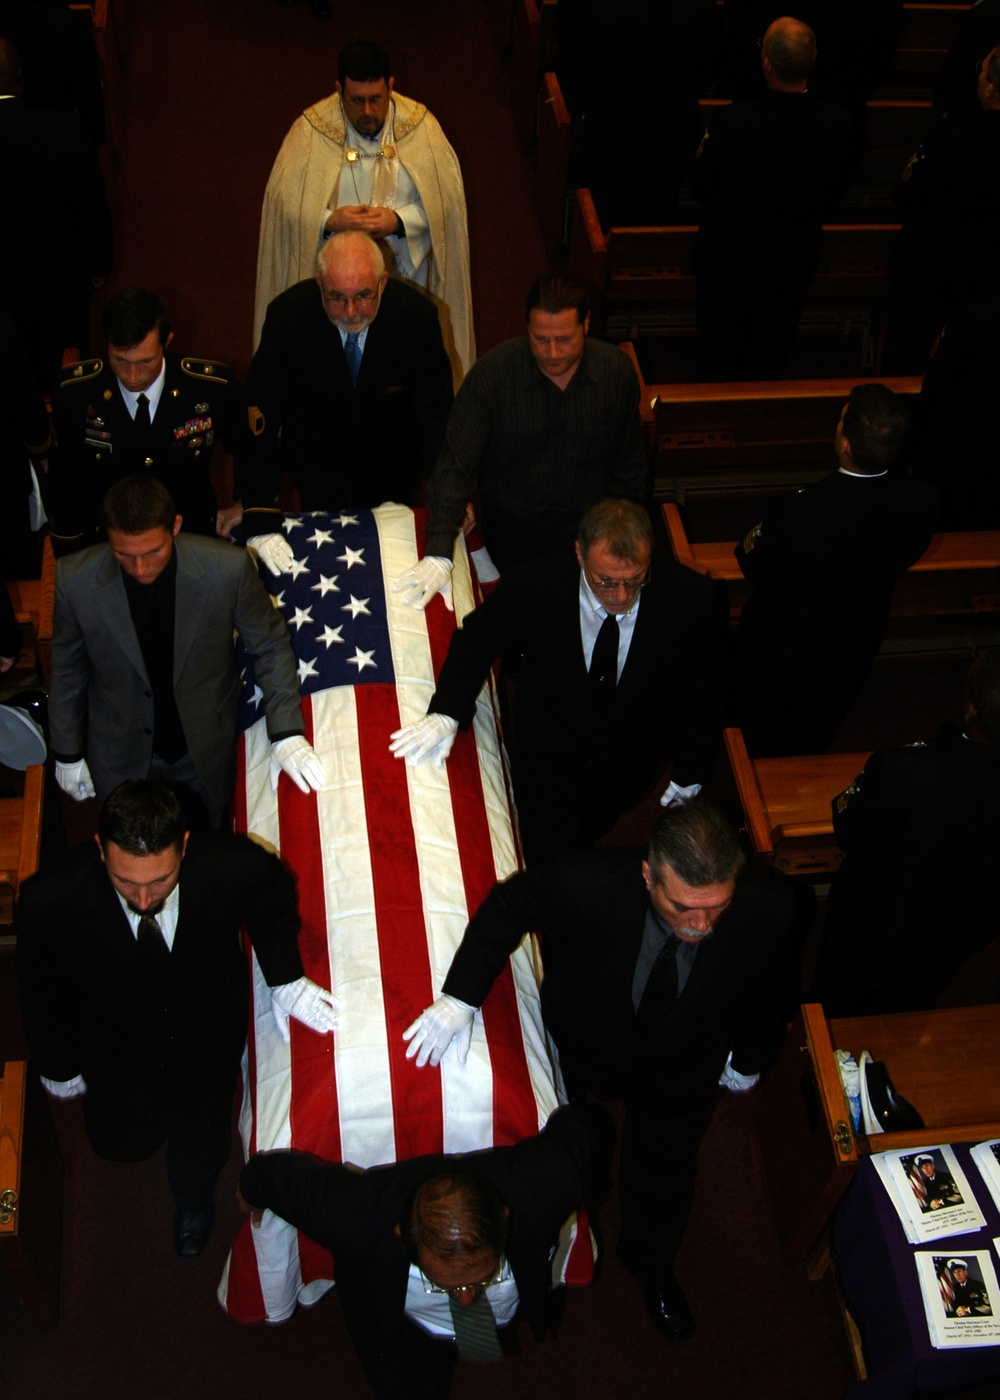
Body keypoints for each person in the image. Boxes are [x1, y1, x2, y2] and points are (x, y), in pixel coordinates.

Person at [403, 799, 799, 1343]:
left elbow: (768, 985)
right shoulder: (588, 883)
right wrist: (458, 1000)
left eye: (717, 907)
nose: (701, 925)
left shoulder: (770, 907)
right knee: (564, 1144)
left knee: (665, 1175)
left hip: (685, 1063)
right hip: (586, 1040)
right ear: (648, 875)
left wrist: (750, 1059)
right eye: (684, 907)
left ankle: (651, 1267)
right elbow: (509, 903)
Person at [15, 779, 339, 1257]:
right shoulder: (49, 900)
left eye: (159, 880)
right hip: (113, 1048)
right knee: (122, 1140)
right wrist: (58, 1064)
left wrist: (285, 978)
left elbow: (274, 898)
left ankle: (193, 1201)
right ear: (101, 852)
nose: (144, 899)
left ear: (184, 846)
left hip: (204, 1036)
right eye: (126, 881)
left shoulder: (232, 866)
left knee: (202, 1133)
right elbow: (40, 991)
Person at [389, 498, 722, 862]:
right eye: (606, 582)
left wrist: (692, 766)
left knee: (595, 825)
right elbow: (477, 640)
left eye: (634, 580)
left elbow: (702, 690)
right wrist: (447, 712)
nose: (621, 597)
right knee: (547, 852)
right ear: (580, 554)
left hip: (628, 763)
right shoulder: (535, 584)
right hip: (548, 756)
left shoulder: (690, 600)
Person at [237, 1103, 598, 1398]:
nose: (468, 1300)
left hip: (487, 1301)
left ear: (505, 1219)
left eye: (480, 1277)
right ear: (401, 1236)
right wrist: (249, 1195)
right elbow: (272, 1178)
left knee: (482, 1337)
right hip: (403, 1328)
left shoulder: (549, 1183)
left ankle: (477, 1343)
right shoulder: (354, 1218)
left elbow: (582, 1125)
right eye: (447, 1285)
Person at [49, 475, 322, 826]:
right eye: (124, 555)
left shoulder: (227, 568)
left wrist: (285, 731)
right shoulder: (75, 579)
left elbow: (269, 645)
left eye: (152, 552)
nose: (141, 568)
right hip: (118, 751)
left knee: (205, 854)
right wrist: (67, 752)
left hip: (203, 750)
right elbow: (67, 669)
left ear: (175, 526)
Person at [394, 276, 647, 608]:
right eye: (540, 339)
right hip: (514, 535)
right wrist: (440, 552)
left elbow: (629, 467)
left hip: (588, 530)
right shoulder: (493, 376)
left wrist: (624, 535)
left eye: (565, 339)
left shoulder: (615, 372)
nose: (553, 353)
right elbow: (454, 465)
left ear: (586, 324)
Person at [733, 383, 939, 756]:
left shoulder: (800, 511)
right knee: (820, 724)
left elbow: (750, 560)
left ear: (845, 444)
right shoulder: (921, 503)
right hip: (855, 637)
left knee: (763, 731)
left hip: (784, 645)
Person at [253, 39, 473, 386]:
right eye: (356, 101)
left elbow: (446, 206)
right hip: (341, 294)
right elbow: (285, 208)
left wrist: (398, 221)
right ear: (339, 90)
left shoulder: (421, 127)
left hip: (404, 283)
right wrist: (329, 221)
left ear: (391, 87)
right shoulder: (310, 131)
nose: (368, 111)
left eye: (376, 99)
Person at [239, 231, 453, 569]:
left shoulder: (417, 319)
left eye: (363, 296)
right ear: (319, 283)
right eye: (336, 297)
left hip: (391, 466)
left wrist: (448, 499)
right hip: (315, 463)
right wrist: (259, 513)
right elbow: (261, 413)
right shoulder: (287, 316)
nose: (351, 311)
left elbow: (435, 417)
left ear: (383, 282)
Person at [812, 650, 1000, 1016]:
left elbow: (849, 828)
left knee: (833, 1009)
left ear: (971, 708)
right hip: (951, 934)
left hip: (870, 922)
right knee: (904, 1014)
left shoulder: (904, 769)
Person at [692, 16, 852, 380]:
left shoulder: (733, 121)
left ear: (766, 62)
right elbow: (835, 191)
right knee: (769, 356)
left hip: (728, 259)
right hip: (792, 261)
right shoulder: (837, 123)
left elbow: (702, 186)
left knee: (717, 357)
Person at [46, 287, 251, 555]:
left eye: (145, 362)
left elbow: (252, 447)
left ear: (167, 342)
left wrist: (245, 503)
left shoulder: (210, 387)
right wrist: (70, 550)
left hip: (187, 536)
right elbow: (64, 477)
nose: (132, 376)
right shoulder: (76, 391)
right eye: (120, 360)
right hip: (105, 541)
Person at [0, 36, 114, 392]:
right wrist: (100, 269)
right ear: (19, 78)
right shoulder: (65, 130)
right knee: (69, 388)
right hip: (58, 293)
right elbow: (92, 210)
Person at [884, 44, 1000, 374]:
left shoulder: (948, 138)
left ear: (990, 87)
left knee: (909, 364)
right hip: (988, 282)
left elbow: (904, 195)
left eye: (983, 69)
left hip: (932, 276)